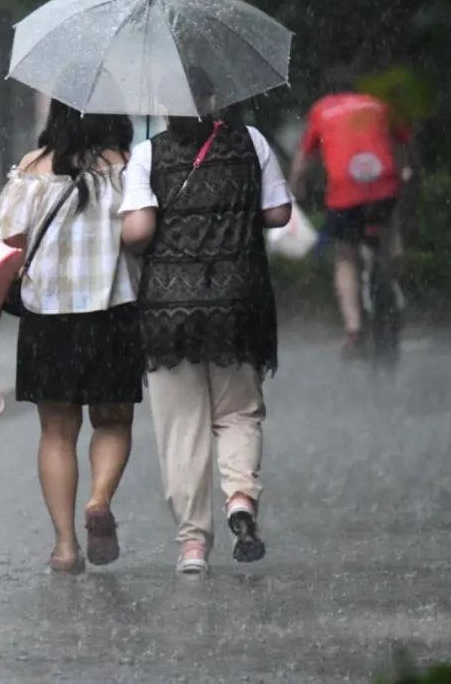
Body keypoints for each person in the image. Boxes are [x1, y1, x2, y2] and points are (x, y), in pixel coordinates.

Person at [120, 67, 292, 575]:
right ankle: (240, 496)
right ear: (214, 97)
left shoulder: (148, 154)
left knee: (181, 430)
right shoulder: (252, 142)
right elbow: (279, 213)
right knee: (239, 412)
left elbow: (138, 230)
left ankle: (193, 543)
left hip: (169, 312)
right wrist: (235, 209)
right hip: (238, 302)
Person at [0, 99, 144, 574]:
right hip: (113, 314)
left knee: (57, 432)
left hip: (47, 320)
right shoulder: (127, 170)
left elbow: (7, 254)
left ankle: (64, 547)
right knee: (112, 422)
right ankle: (98, 500)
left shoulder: (29, 172)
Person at [289, 88, 410, 356]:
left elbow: (302, 160)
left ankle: (353, 328)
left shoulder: (321, 110)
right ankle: (396, 256)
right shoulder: (378, 103)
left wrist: (296, 188)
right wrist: (407, 172)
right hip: (383, 183)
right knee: (392, 207)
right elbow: (402, 144)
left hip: (345, 190)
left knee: (344, 255)